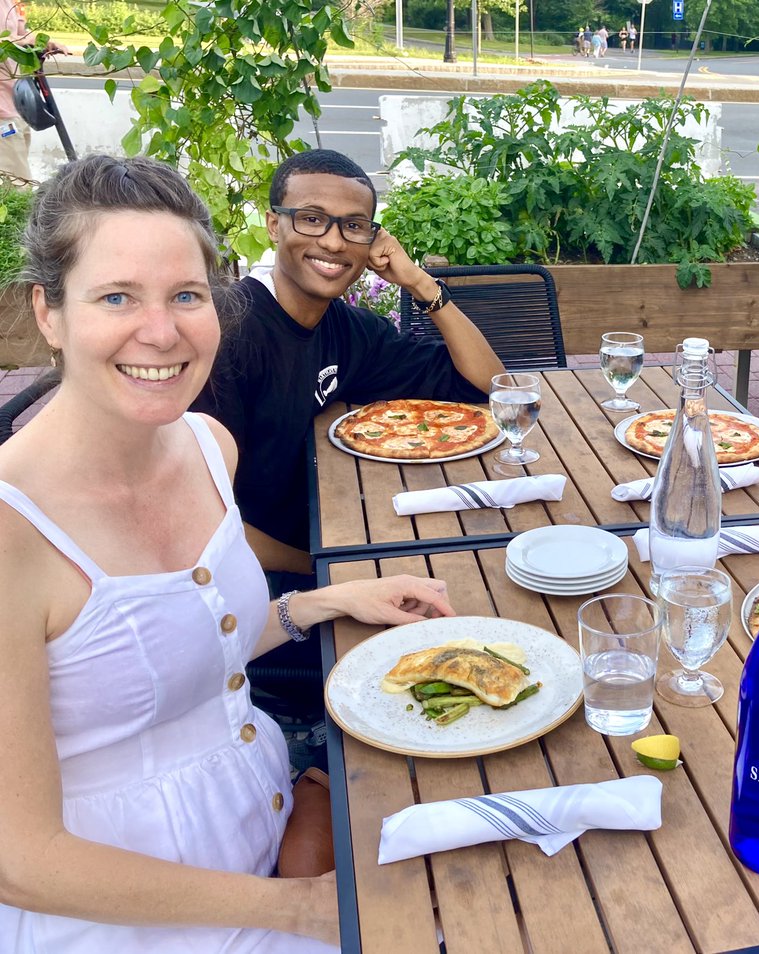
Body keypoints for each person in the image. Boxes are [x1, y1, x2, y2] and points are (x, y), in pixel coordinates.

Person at [0, 154, 460, 950]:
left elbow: (182, 647)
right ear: (50, 312)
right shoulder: (15, 531)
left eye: (186, 295)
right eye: (117, 296)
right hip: (125, 918)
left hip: (264, 827)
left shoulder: (208, 447)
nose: (162, 331)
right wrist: (301, 909)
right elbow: (20, 861)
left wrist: (326, 602)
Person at [192, 149, 504, 578]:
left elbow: (487, 386)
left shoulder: (351, 330)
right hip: (250, 577)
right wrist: (329, 569)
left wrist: (418, 282)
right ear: (273, 226)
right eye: (312, 218)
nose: (334, 242)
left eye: (353, 226)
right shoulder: (226, 333)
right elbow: (203, 526)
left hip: (339, 527)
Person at [0, 0, 65, 181]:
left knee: (17, 179)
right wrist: (22, 41)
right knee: (17, 186)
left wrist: (43, 43)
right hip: (2, 115)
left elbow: (20, 33)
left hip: (16, 105)